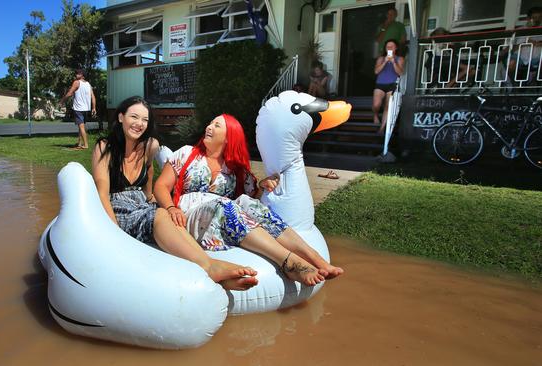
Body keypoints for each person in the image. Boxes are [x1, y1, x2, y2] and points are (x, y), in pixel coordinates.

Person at [154, 114, 343, 286]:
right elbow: (161, 186)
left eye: (216, 125)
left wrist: (262, 186)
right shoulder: (187, 153)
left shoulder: (235, 169)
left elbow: (250, 202)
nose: (209, 127)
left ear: (229, 138)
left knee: (248, 203)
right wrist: (171, 207)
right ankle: (288, 261)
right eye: (210, 122)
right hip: (189, 216)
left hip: (220, 217)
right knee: (224, 204)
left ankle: (314, 256)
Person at [91, 96, 258, 291]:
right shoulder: (105, 147)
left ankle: (208, 264)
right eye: (134, 117)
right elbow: (102, 192)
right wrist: (114, 234)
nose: (139, 124)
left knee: (171, 217)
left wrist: (166, 207)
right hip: (118, 208)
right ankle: (209, 266)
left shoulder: (149, 147)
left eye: (145, 120)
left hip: (141, 206)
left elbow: (148, 187)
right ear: (121, 117)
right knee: (161, 213)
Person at [373, 39, 404, 134]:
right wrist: (385, 61)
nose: (389, 48)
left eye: (392, 46)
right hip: (380, 84)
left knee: (388, 106)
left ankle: (382, 129)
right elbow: (376, 71)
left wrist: (394, 62)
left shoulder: (400, 59)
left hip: (392, 84)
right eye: (388, 46)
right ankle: (375, 115)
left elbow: (400, 72)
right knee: (376, 104)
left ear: (396, 48)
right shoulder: (381, 58)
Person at [60, 69, 96, 150]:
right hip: (86, 109)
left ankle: (86, 145)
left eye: (78, 73)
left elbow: (70, 93)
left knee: (81, 127)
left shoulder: (76, 82)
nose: (76, 74)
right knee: (81, 127)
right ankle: (79, 143)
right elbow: (93, 96)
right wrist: (93, 108)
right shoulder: (88, 84)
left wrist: (62, 101)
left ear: (83, 75)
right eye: (76, 73)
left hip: (79, 108)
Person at [507, 7, 542, 85]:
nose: (537, 20)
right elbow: (511, 49)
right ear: (528, 19)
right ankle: (516, 86)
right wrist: (523, 44)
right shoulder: (520, 30)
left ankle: (534, 84)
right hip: (520, 57)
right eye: (534, 17)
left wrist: (538, 43)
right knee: (511, 64)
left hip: (537, 58)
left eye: (540, 17)